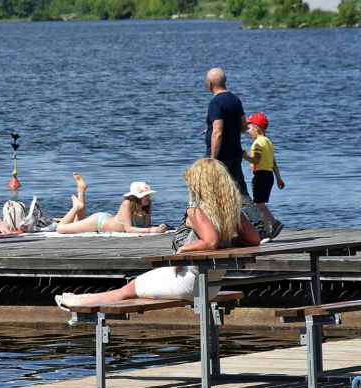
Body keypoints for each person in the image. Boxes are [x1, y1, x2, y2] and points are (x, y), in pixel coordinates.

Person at [55, 158, 260, 310]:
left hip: (190, 282)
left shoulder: (196, 208)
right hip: (212, 284)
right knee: (135, 285)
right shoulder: (229, 209)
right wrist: (229, 240)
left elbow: (210, 241)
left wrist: (183, 250)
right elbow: (254, 239)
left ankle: (80, 302)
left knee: (129, 289)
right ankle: (84, 298)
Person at [204, 67, 269, 242]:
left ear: (209, 83)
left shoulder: (216, 103)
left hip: (220, 157)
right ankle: (260, 231)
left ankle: (213, 233)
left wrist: (212, 159)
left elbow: (217, 132)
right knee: (242, 194)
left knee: (209, 193)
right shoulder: (235, 100)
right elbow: (243, 126)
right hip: (235, 154)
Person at [55, 172, 167, 234]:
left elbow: (147, 226)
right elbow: (129, 229)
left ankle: (81, 190)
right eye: (145, 195)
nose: (148, 198)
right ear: (136, 197)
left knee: (78, 221)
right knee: (60, 229)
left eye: (148, 195)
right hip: (98, 222)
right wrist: (151, 230)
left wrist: (158, 228)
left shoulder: (147, 205)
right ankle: (76, 206)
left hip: (108, 219)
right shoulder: (127, 203)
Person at [242, 112, 285, 241]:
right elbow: (273, 163)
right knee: (261, 204)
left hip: (260, 175)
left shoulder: (257, 143)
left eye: (249, 127)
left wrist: (244, 156)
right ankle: (265, 233)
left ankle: (275, 223)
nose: (248, 130)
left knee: (259, 205)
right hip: (269, 176)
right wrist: (278, 178)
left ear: (257, 128)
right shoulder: (269, 143)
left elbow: (256, 161)